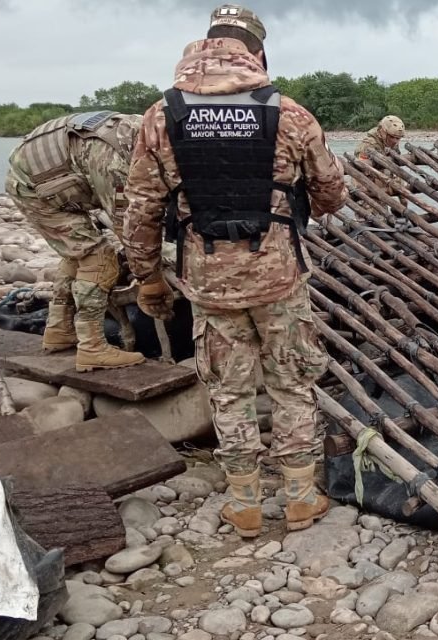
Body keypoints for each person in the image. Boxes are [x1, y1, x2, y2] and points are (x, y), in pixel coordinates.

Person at [122, 4, 347, 538]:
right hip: (278, 276)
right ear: (255, 51)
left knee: (228, 389)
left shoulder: (162, 117)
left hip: (206, 278)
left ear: (204, 46)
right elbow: (332, 195)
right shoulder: (287, 113)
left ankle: (244, 502)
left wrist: (149, 277)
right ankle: (299, 496)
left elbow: (141, 209)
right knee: (292, 381)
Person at [4, 112, 148, 371]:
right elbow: (126, 227)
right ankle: (92, 347)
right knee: (99, 257)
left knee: (76, 254)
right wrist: (152, 270)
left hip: (48, 181)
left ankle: (60, 330)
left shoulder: (142, 129)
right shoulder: (113, 159)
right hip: (35, 191)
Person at [353, 115, 408, 210]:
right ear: (382, 132)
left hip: (382, 184)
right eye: (392, 137)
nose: (395, 141)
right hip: (367, 186)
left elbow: (394, 166)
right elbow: (363, 173)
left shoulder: (390, 143)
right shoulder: (368, 145)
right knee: (375, 216)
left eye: (398, 138)